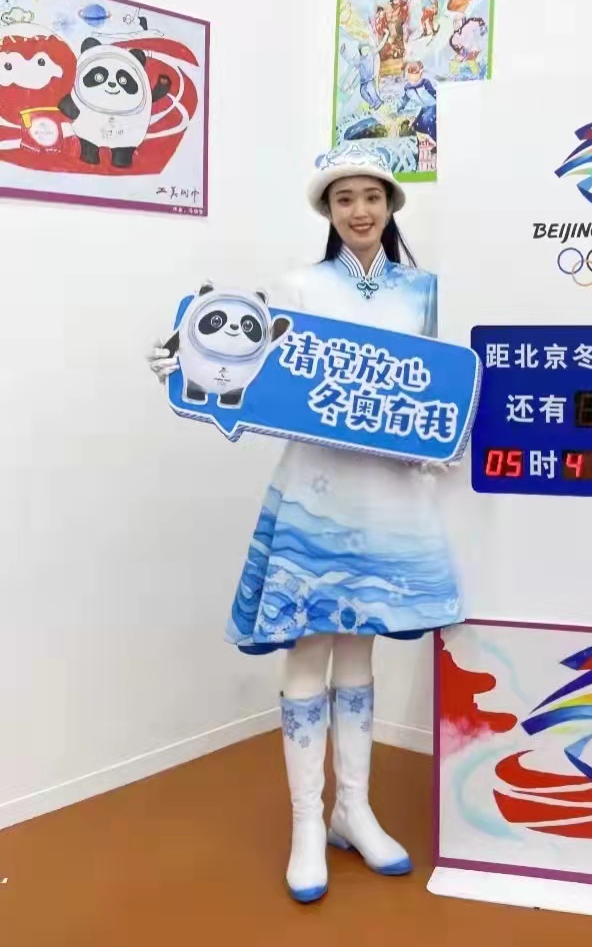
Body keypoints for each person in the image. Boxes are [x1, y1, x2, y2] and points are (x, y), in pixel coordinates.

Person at [147, 141, 462, 904]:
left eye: (372, 196)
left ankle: (354, 808)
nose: (360, 210)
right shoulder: (297, 286)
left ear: (391, 205)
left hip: (388, 491)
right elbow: (247, 359)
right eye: (344, 198)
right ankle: (306, 825)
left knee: (358, 649)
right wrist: (188, 363)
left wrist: (439, 445)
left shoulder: (424, 291)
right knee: (307, 648)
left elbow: (440, 384)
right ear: (328, 209)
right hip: (316, 490)